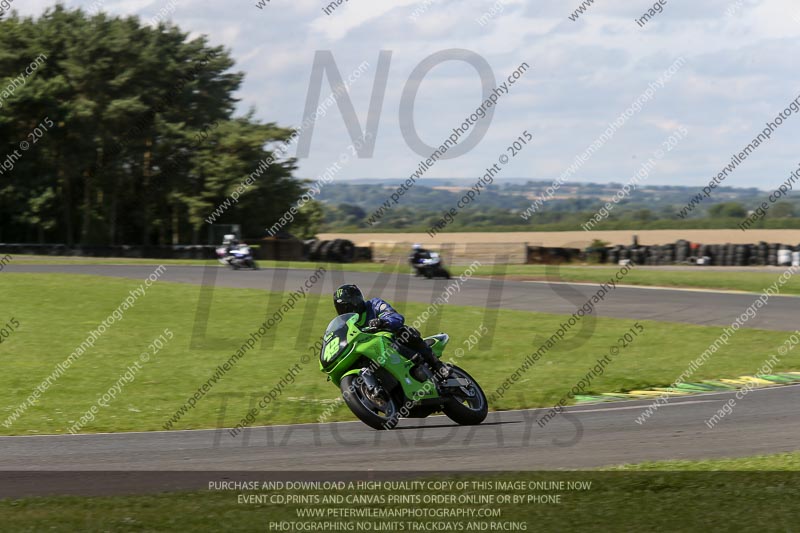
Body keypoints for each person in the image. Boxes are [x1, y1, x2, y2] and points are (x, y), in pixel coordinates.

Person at [332, 284, 450, 381]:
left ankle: (437, 366)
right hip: (374, 351)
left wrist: (383, 322)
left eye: (346, 307)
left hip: (392, 341)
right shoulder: (348, 324)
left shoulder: (374, 305)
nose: (344, 311)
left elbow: (395, 317)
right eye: (341, 308)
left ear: (355, 301)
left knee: (405, 332)